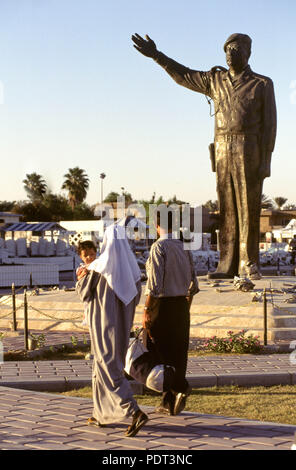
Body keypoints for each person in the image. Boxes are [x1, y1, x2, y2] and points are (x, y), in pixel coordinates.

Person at [131, 32, 277, 279]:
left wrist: (265, 161)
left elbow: (270, 126)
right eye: (227, 49)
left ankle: (248, 263)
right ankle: (226, 264)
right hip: (221, 148)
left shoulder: (262, 84)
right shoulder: (215, 80)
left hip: (248, 147)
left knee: (248, 208)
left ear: (248, 53)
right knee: (227, 208)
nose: (231, 53)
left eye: (237, 48)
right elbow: (184, 75)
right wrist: (157, 56)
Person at [76, 224, 148, 437]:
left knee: (108, 369)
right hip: (121, 327)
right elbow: (134, 298)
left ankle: (134, 412)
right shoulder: (131, 270)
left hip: (102, 327)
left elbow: (83, 293)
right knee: (101, 369)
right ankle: (102, 414)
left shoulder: (98, 268)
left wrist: (81, 277)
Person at [143, 211, 200, 415]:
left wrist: (147, 309)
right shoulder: (184, 248)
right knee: (178, 353)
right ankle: (169, 399)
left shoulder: (159, 247)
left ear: (157, 226)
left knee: (159, 351)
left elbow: (155, 286)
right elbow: (194, 285)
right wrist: (186, 306)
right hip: (181, 306)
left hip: (163, 305)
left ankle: (179, 387)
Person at [76, 240, 98, 326]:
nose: (89, 257)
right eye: (85, 255)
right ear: (81, 257)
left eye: (92, 254)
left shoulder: (98, 264)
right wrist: (81, 275)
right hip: (88, 295)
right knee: (88, 308)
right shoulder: (82, 268)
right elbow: (79, 278)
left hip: (96, 295)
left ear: (96, 253)